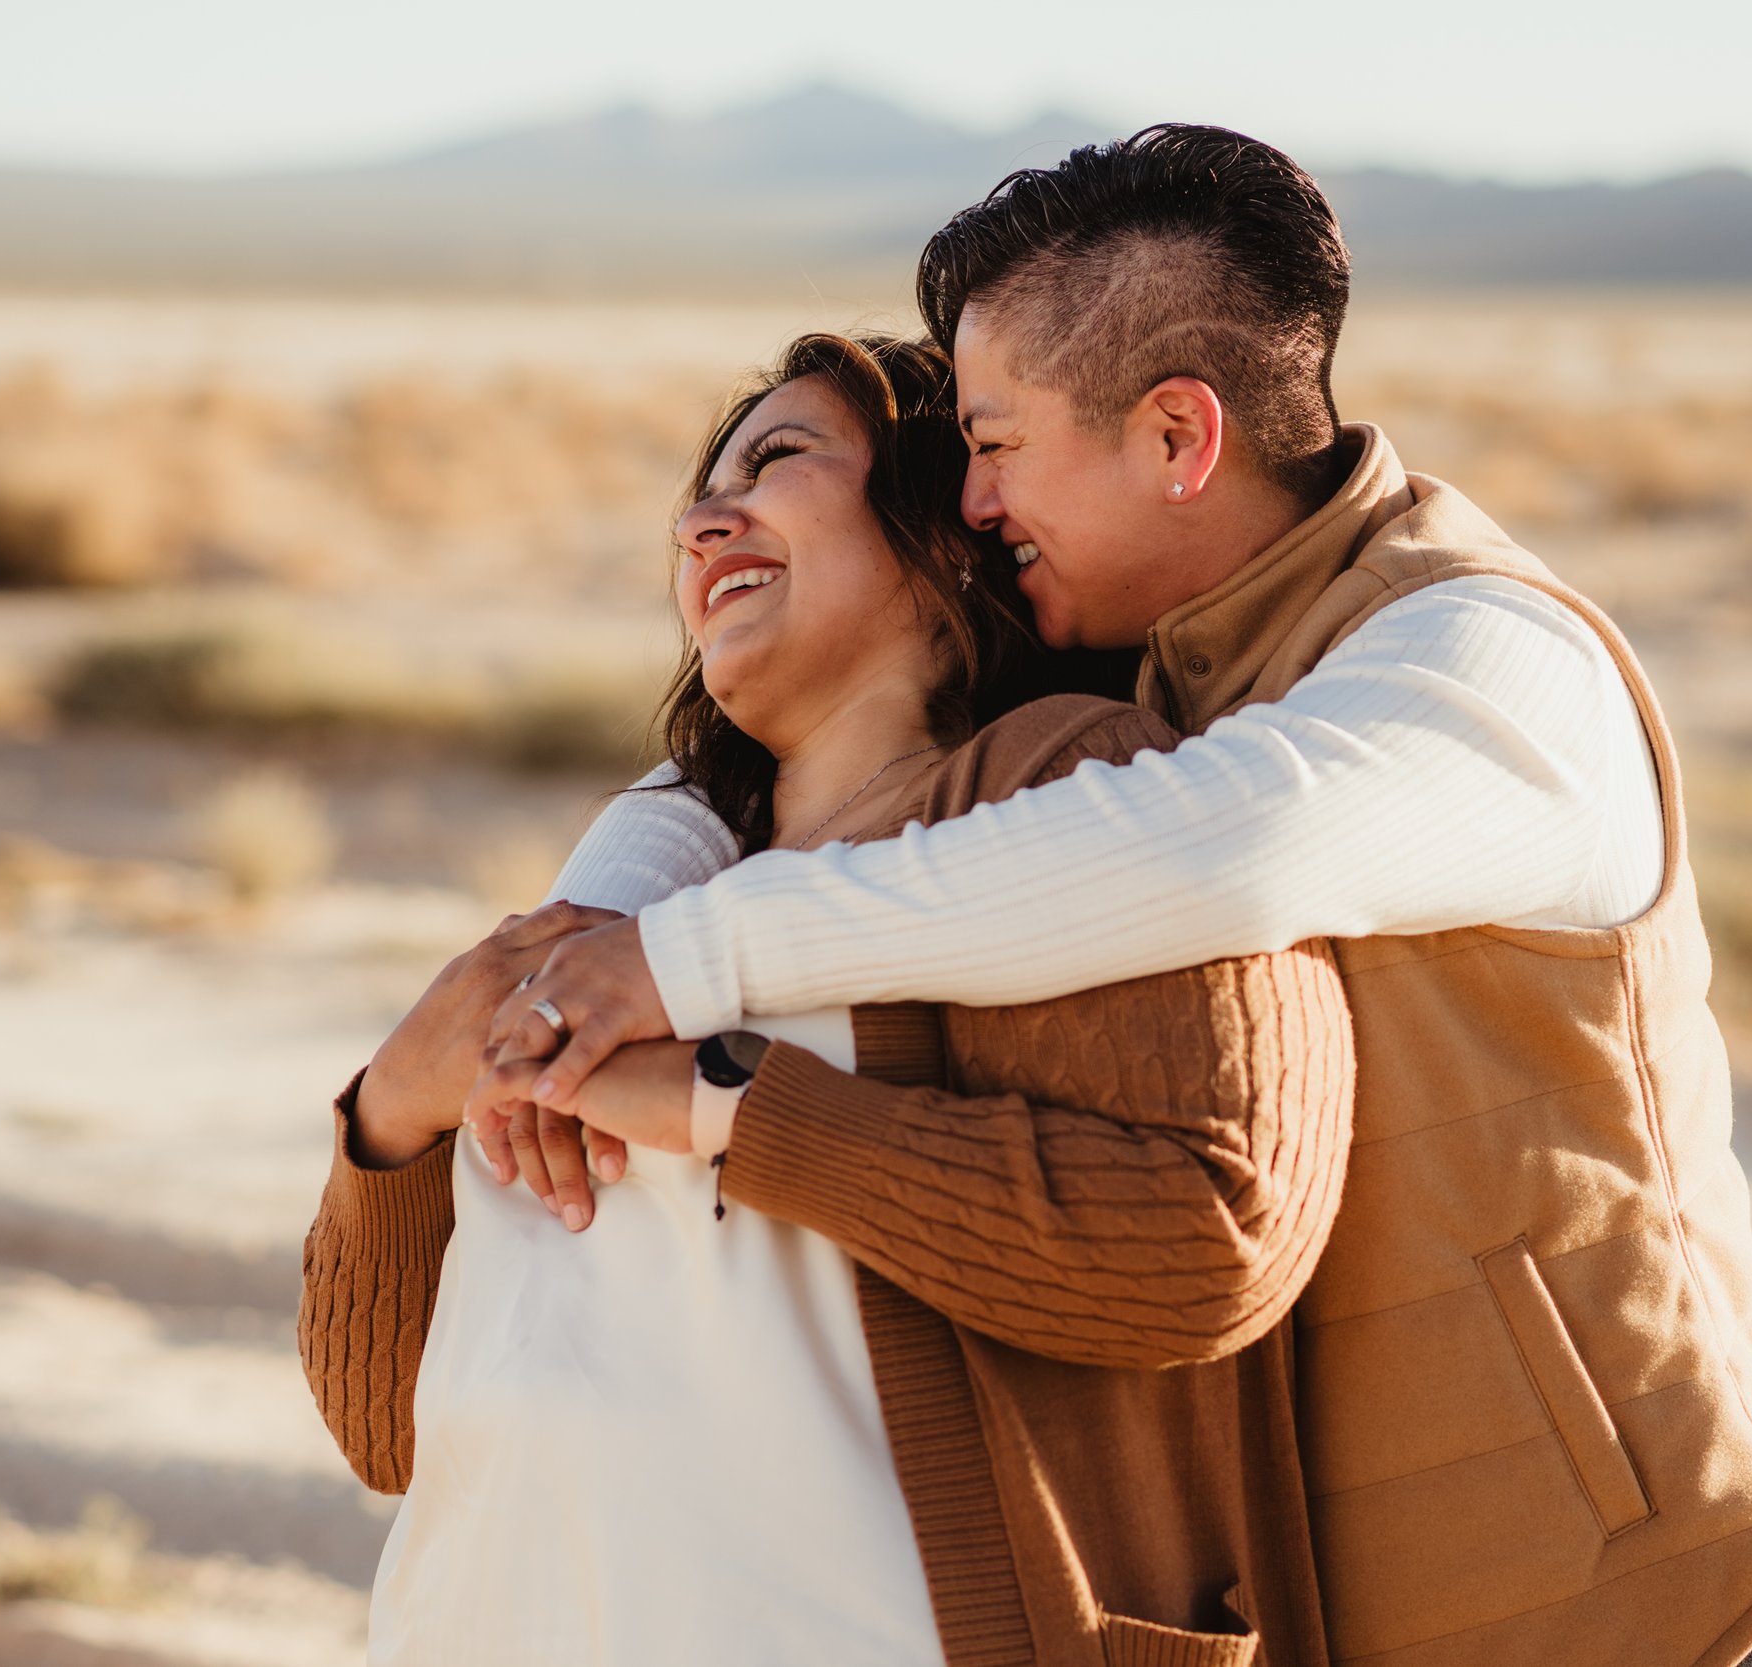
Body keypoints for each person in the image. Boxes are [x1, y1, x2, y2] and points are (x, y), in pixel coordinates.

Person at [481, 127, 1752, 1667]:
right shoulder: (1164, 661)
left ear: (1178, 439)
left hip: (1651, 1616)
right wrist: (606, 910)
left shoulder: (1488, 660)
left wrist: (681, 967)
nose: (978, 498)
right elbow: (773, 764)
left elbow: (1227, 849)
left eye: (998, 443)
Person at [302, 331, 1351, 1666]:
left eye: (780, 457)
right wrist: (391, 1114)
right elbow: (386, 1428)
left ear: (957, 530)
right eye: (700, 491)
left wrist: (726, 1103)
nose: (701, 520)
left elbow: (1205, 1243)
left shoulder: (1067, 795)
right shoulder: (619, 903)